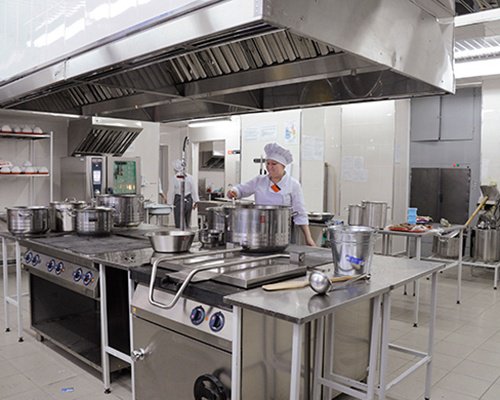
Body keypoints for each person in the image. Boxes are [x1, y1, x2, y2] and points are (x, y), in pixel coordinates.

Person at [227, 142, 316, 246]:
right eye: (268, 163)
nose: (269, 167)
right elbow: (241, 189)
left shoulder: (293, 185)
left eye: (274, 164)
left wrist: (308, 238)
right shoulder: (259, 181)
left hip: (283, 232)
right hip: (259, 230)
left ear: (283, 166)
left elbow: (300, 213)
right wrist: (234, 192)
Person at [167, 159, 199, 229]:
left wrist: (169, 204)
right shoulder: (190, 177)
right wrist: (196, 201)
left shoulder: (174, 178)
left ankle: (180, 234)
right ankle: (187, 233)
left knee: (179, 221)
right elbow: (194, 190)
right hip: (188, 200)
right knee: (187, 220)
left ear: (175, 169)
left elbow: (171, 191)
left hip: (178, 200)